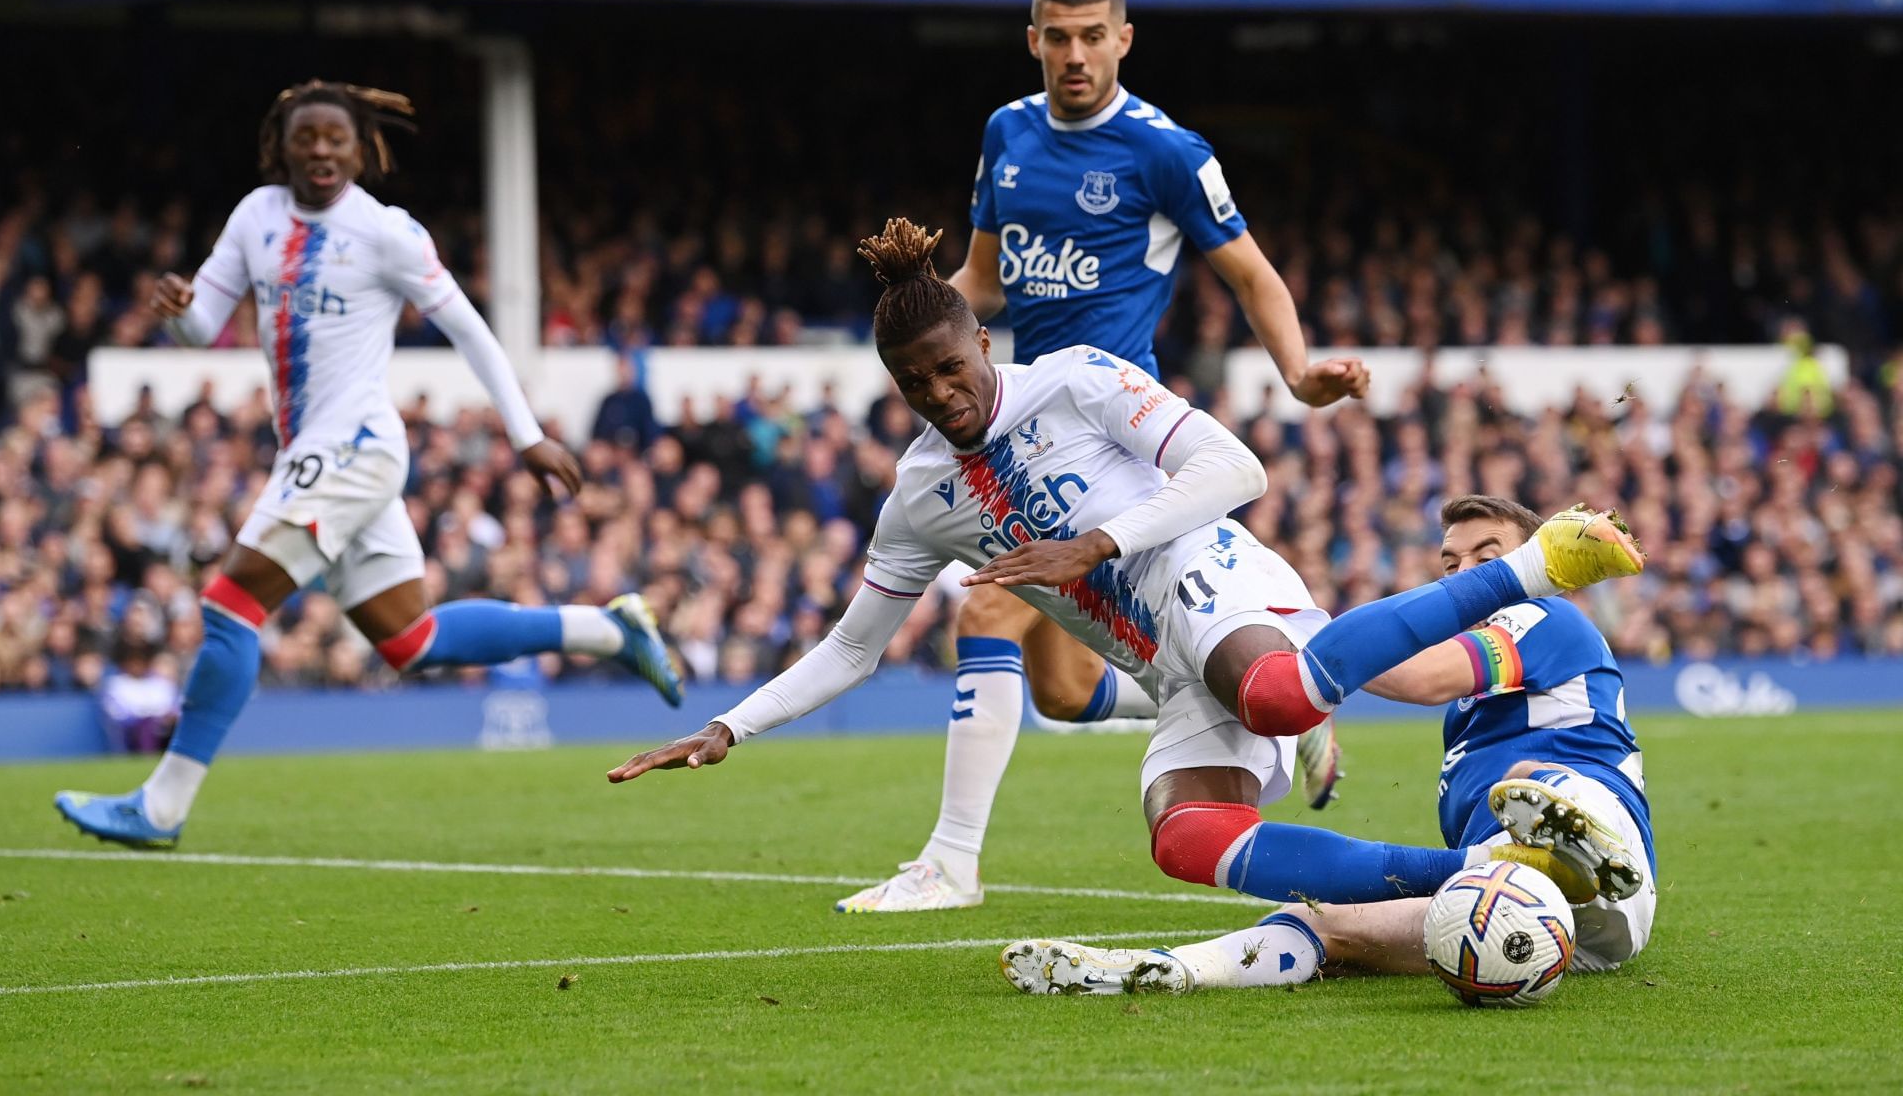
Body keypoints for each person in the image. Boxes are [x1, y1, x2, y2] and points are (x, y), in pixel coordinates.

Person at [608, 221, 1644, 934]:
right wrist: (729, 727)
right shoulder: (919, 496)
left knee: (1279, 694)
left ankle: (1538, 558)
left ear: (981, 338)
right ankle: (1480, 875)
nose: (942, 392)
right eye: (916, 383)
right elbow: (850, 647)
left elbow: (1238, 467)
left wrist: (1094, 545)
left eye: (952, 366)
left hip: (1212, 571)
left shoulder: (1077, 379)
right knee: (1187, 836)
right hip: (1164, 659)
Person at [841, 0, 1371, 913]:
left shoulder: (1165, 151)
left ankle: (950, 862)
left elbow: (1250, 274)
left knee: (987, 609)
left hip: (1108, 436)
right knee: (1059, 691)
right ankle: (1267, 722)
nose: (1074, 54)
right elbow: (986, 283)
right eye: (1057, 36)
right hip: (1010, 421)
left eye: (1093, 35)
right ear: (1033, 39)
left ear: (1124, 39)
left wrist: (1297, 373)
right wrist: (909, 337)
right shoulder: (1007, 134)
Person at [56, 79, 680, 849]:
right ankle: (609, 630)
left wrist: (525, 434)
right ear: (281, 144)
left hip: (352, 448)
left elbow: (472, 329)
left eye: (336, 138)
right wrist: (182, 310)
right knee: (409, 641)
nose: (321, 150)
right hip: (321, 454)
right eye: (307, 137)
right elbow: (203, 328)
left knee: (228, 605)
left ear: (362, 149)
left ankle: (159, 809)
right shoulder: (255, 216)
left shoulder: (387, 234)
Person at [997, 494, 1657, 995]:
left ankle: (1570, 850)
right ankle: (1170, 971)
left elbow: (1422, 675)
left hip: (1600, 859)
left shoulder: (1545, 614)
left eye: (1491, 558)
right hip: (1540, 922)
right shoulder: (1479, 707)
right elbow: (1071, 697)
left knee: (1530, 780)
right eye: (1451, 563)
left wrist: (1298, 660)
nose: (1467, 576)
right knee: (1326, 923)